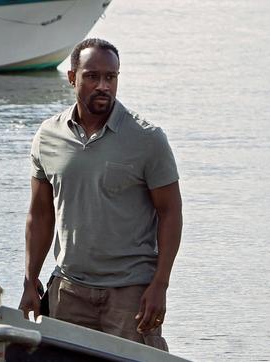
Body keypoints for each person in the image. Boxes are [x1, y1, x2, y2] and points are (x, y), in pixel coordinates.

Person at [18, 38, 182, 351]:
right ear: (71, 77)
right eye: (93, 76)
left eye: (111, 77)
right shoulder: (48, 136)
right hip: (68, 291)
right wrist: (30, 281)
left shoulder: (147, 139)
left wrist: (160, 284)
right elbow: (39, 214)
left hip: (130, 294)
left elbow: (170, 213)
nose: (103, 86)